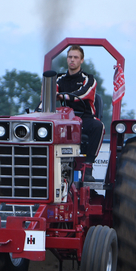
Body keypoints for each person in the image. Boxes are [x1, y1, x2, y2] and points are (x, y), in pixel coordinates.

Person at [56, 45, 104, 181]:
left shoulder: (89, 79)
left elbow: (84, 93)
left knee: (98, 127)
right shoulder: (58, 79)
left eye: (75, 57)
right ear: (67, 59)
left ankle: (88, 168)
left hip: (84, 118)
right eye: (70, 57)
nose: (72, 60)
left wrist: (63, 96)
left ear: (81, 60)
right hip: (64, 119)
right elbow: (49, 94)